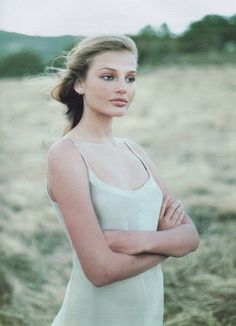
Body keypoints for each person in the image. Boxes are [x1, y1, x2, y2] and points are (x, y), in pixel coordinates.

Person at [47, 34, 199, 326]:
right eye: (108, 76)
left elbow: (190, 237)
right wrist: (168, 244)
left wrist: (137, 240)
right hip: (94, 316)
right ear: (80, 83)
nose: (122, 88)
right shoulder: (66, 154)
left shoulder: (134, 151)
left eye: (130, 78)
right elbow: (100, 270)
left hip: (147, 315)